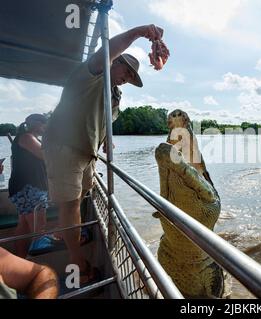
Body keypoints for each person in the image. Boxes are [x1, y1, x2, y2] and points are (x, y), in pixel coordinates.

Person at [42, 24, 168, 284]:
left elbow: (102, 119)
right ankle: (76, 259)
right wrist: (140, 32)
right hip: (65, 146)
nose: (127, 78)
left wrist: (105, 142)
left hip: (87, 151)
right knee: (71, 203)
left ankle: (66, 232)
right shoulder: (90, 74)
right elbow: (106, 52)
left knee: (84, 192)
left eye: (132, 77)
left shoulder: (113, 93)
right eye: (126, 70)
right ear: (115, 61)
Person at [8, 114, 49, 258]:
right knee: (39, 231)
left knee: (24, 227)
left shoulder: (27, 138)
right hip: (29, 188)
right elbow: (47, 156)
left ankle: (20, 261)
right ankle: (34, 270)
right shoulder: (27, 138)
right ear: (35, 124)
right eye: (45, 124)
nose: (46, 127)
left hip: (23, 188)